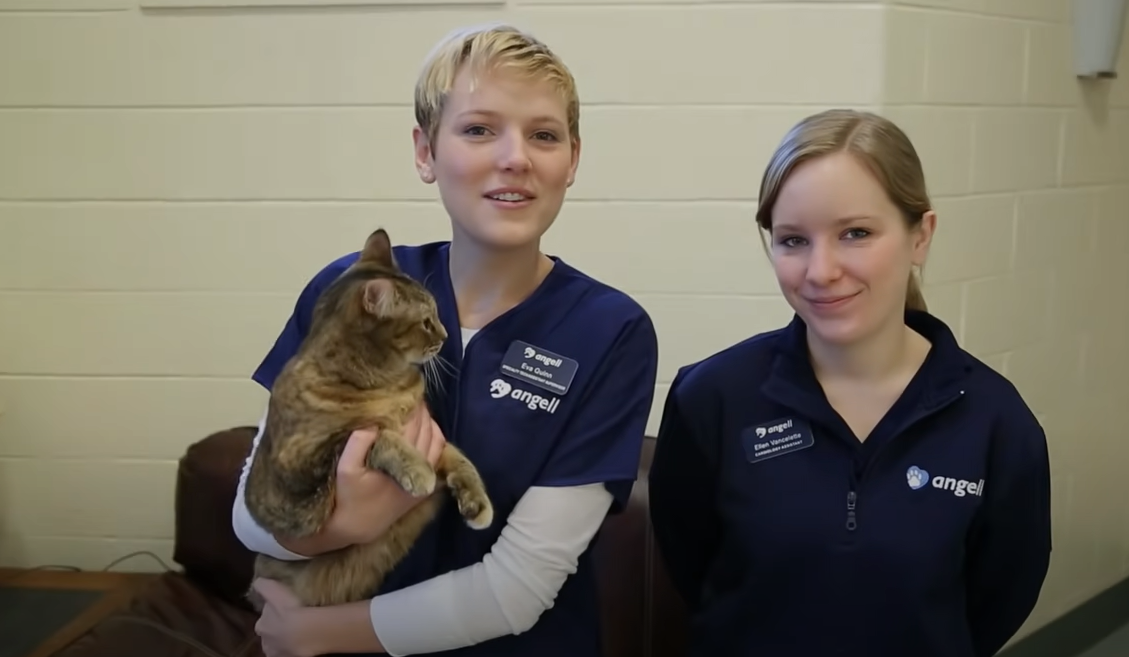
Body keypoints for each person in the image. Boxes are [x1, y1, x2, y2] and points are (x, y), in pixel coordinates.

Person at [231, 22, 659, 657]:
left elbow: (518, 588)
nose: (515, 157)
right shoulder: (352, 293)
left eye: (543, 134)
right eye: (479, 129)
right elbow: (249, 510)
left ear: (572, 158)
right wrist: (339, 526)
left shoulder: (610, 331)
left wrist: (317, 633)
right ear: (425, 151)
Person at [647, 109, 1051, 657]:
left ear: (920, 237)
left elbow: (997, 599)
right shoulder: (712, 399)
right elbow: (691, 565)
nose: (821, 270)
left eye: (856, 233)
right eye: (793, 241)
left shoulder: (994, 422)